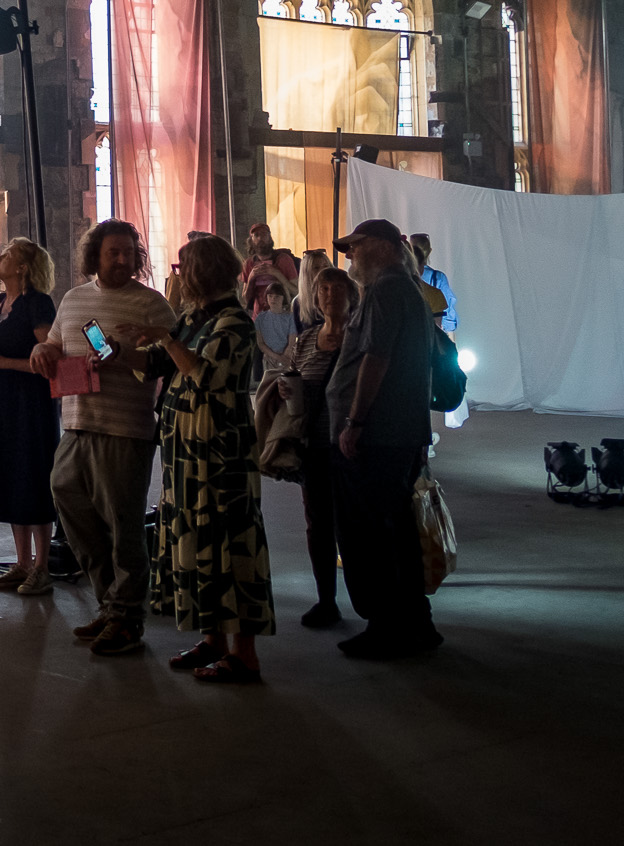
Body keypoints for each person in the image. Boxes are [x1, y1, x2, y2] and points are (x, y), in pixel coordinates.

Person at [125, 234, 274, 685]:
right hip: (186, 455)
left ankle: (244, 655)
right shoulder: (192, 316)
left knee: (229, 545)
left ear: (201, 272)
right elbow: (154, 365)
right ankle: (213, 639)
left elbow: (206, 375)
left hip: (220, 456)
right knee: (197, 542)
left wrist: (167, 339)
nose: (177, 275)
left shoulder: (233, 322)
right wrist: (120, 347)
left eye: (183, 267)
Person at [34, 220, 179, 658]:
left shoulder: (153, 305)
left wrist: (126, 354)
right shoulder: (75, 299)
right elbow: (55, 346)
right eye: (113, 252)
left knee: (123, 526)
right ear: (94, 255)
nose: (122, 260)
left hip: (125, 429)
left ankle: (127, 618)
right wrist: (42, 352)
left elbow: (173, 363)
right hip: (77, 422)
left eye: (130, 252)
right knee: (67, 500)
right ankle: (109, 603)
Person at [328, 218, 443, 659]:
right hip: (398, 429)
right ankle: (416, 621)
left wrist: (354, 422)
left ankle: (387, 627)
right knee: (396, 530)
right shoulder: (407, 288)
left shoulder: (385, 291)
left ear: (379, 247)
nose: (350, 257)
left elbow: (374, 360)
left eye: (355, 247)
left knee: (374, 533)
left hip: (379, 434)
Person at [0, 238, 60, 597]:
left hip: (29, 404)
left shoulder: (38, 304)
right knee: (8, 475)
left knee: (32, 476)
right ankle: (21, 563)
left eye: (7, 254)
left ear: (22, 267)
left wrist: (2, 362)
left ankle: (42, 566)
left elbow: (47, 360)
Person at [290, 266, 357, 628]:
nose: (331, 295)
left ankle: (367, 599)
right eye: (324, 289)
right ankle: (326, 600)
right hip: (312, 445)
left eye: (338, 288)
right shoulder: (306, 339)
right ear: (315, 298)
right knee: (318, 524)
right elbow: (296, 380)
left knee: (352, 523)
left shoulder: (361, 338)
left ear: (351, 295)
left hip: (349, 446)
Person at [241, 223, 300, 317]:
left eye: (264, 234)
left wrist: (277, 274)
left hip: (282, 317)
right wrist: (251, 278)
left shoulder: (283, 260)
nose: (260, 238)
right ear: (251, 240)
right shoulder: (249, 263)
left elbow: (296, 292)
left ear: (270, 237)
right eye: (256, 235)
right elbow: (245, 299)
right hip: (258, 317)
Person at [410, 233, 457, 332]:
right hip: (434, 334)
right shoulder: (438, 278)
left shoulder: (399, 281)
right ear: (429, 251)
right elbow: (449, 316)